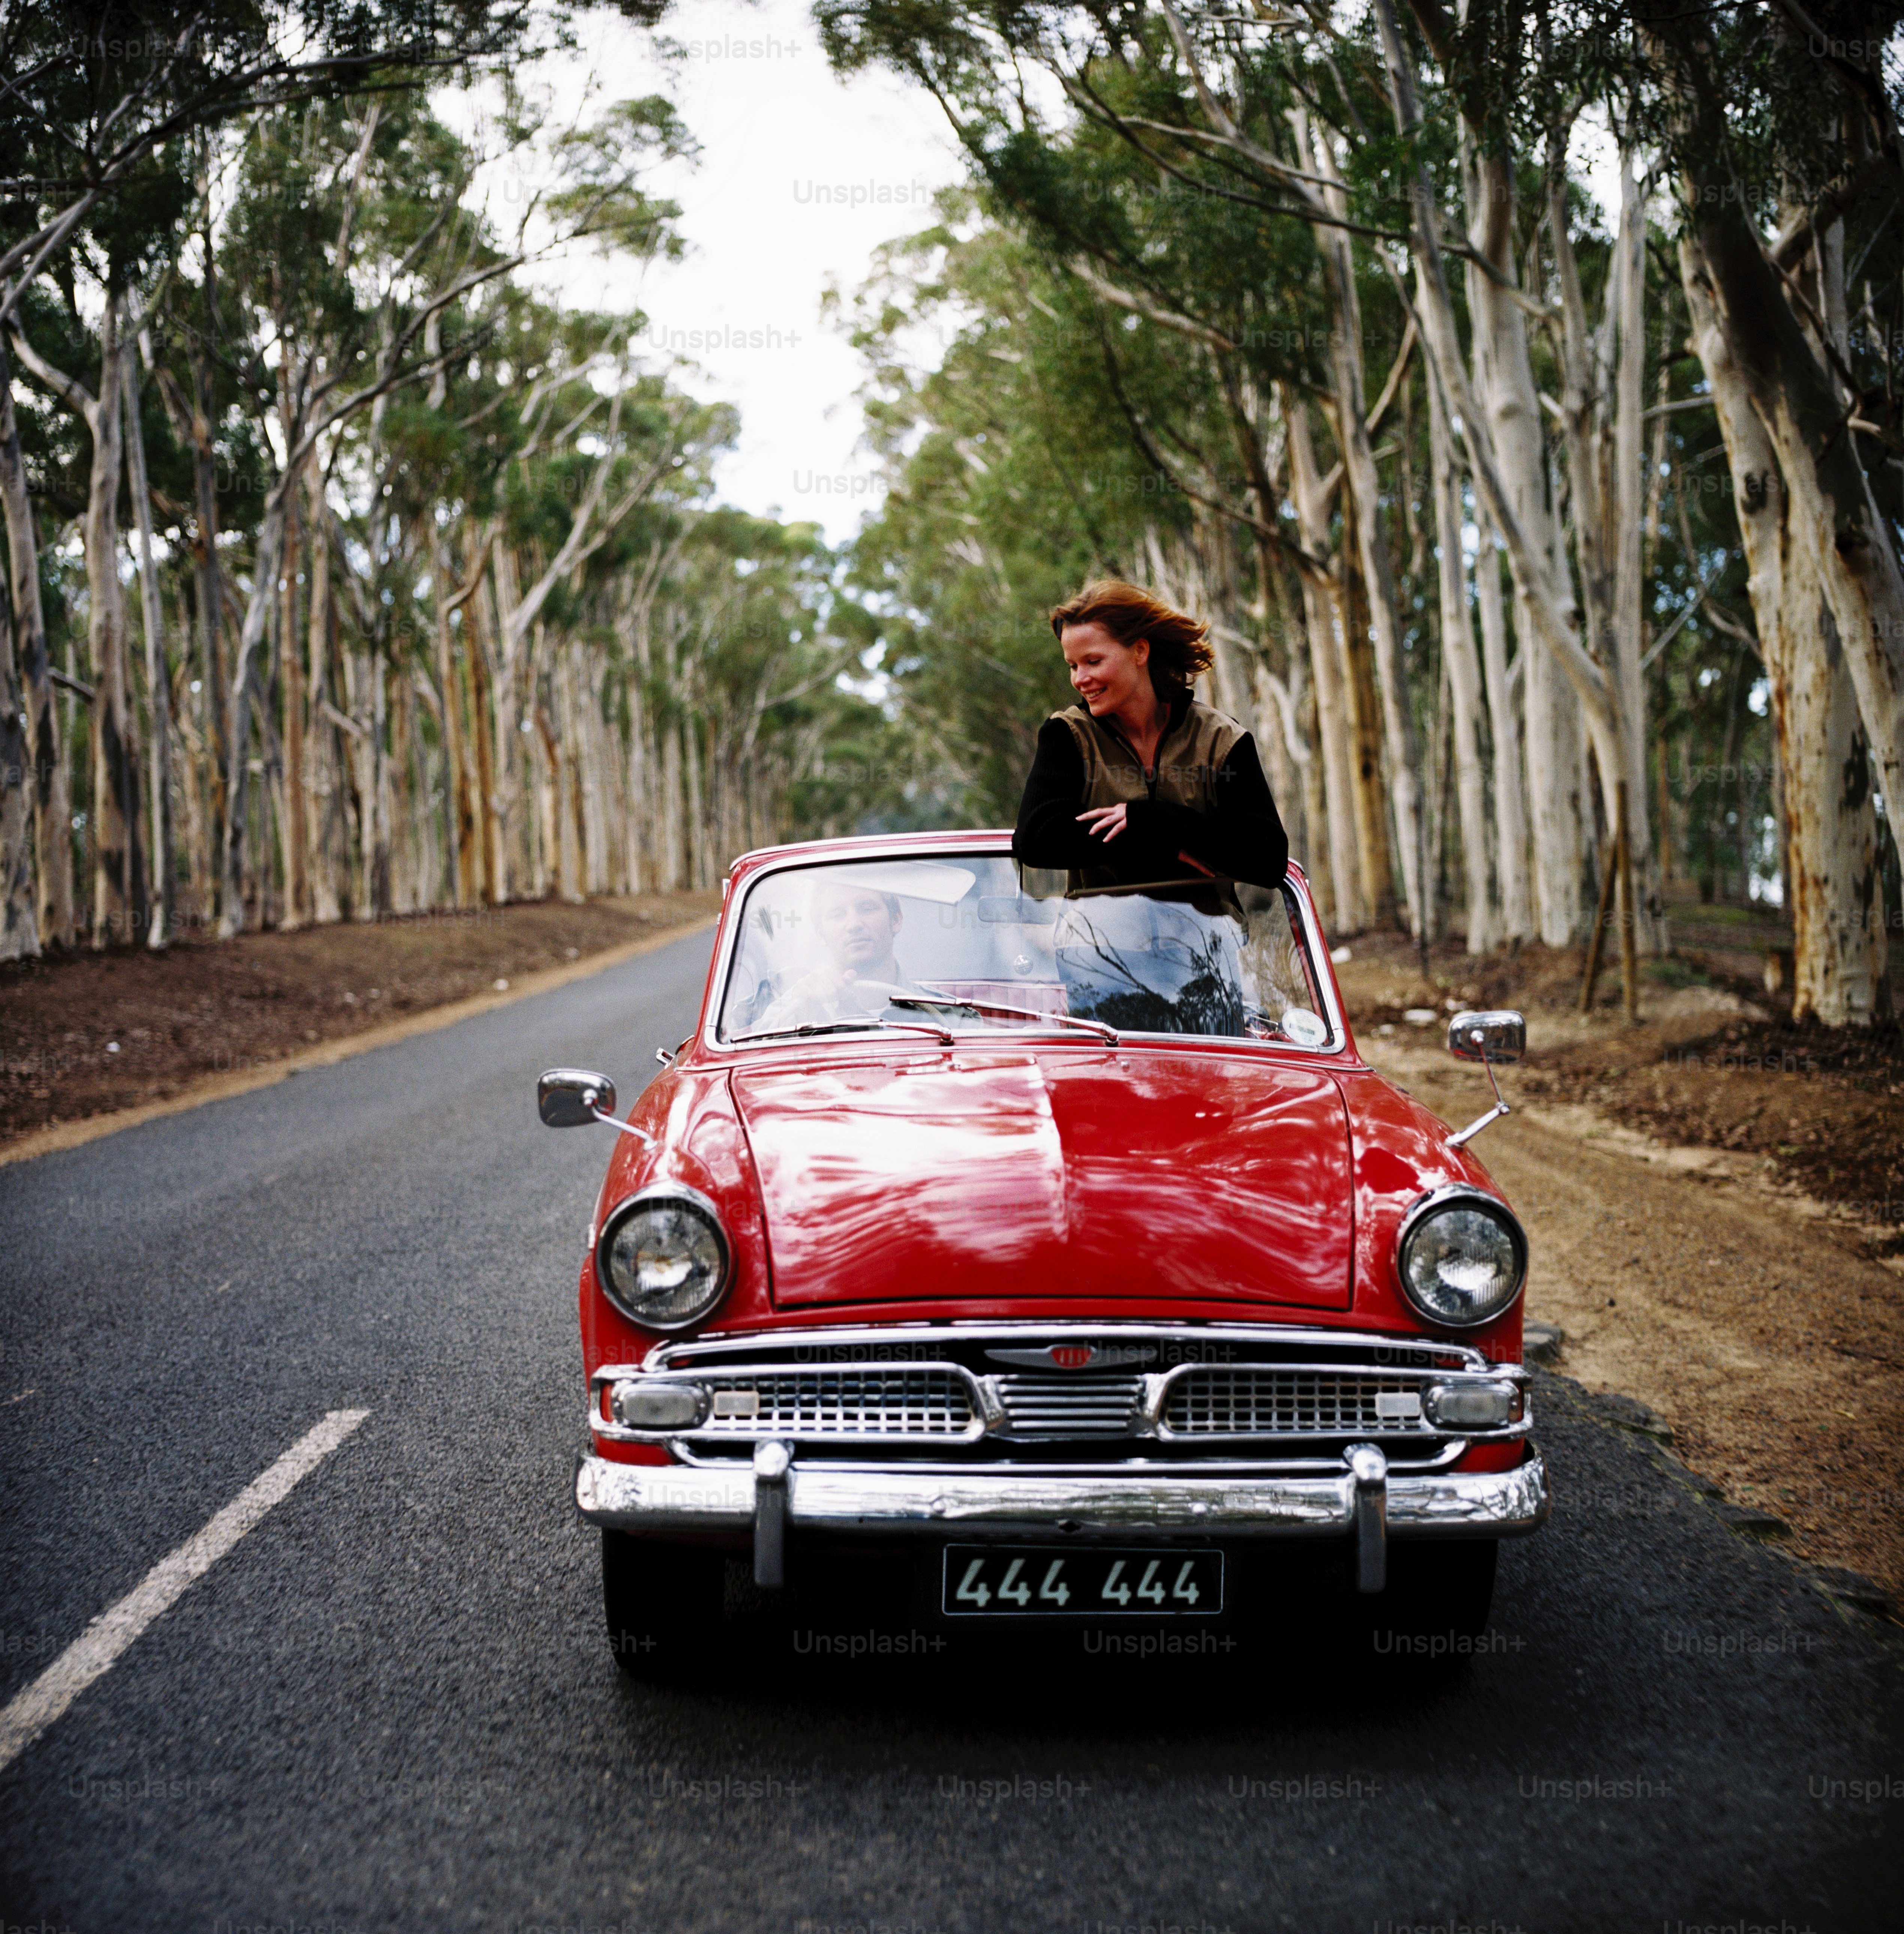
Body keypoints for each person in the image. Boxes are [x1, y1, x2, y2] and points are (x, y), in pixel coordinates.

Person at [1011, 579, 1288, 892]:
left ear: (1140, 651)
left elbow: (1267, 859)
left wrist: (1158, 820)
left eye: (1093, 661)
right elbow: (1036, 840)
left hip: (1206, 938)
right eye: (1073, 666)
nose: (1080, 679)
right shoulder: (1067, 735)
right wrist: (1167, 844)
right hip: (1096, 939)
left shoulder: (1220, 739)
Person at [747, 877, 918, 1031]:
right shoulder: (798, 1003)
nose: (853, 925)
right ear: (820, 933)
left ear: (896, 920)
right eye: (838, 914)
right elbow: (746, 1053)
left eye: (867, 909)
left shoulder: (942, 1011)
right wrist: (797, 1015)